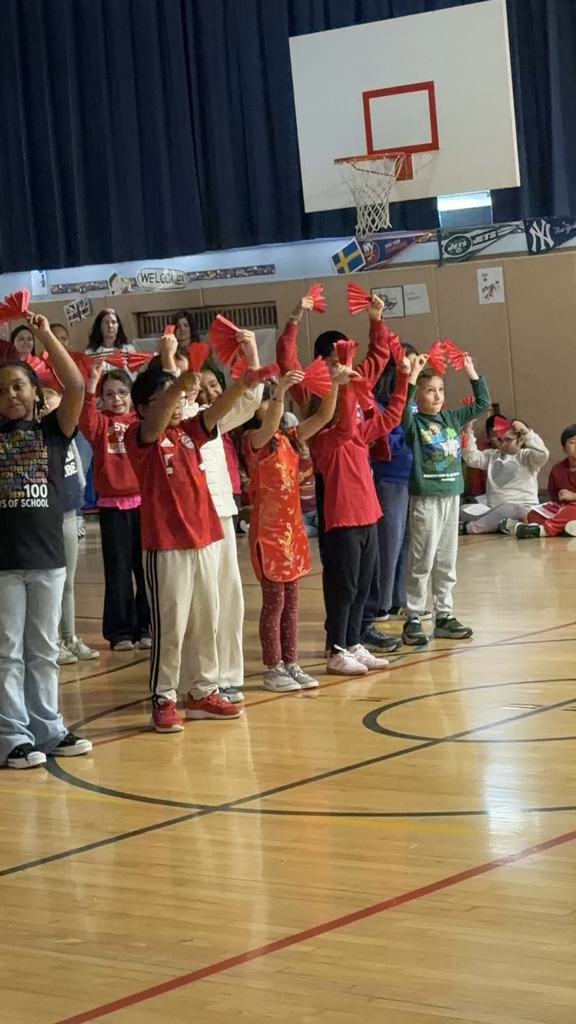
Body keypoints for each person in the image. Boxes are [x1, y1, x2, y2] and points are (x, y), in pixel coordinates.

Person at [126, 364, 257, 732]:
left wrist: (241, 385)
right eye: (168, 398)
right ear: (142, 407)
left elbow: (215, 411)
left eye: (183, 397)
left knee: (208, 620)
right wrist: (178, 385)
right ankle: (164, 697)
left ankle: (202, 691)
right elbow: (154, 424)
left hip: (206, 538)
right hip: (166, 545)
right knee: (171, 626)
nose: (180, 403)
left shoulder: (189, 433)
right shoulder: (142, 436)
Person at [277, 290, 401, 652]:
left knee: (365, 571)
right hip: (331, 474)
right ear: (322, 362)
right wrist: (295, 317)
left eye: (345, 357)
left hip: (362, 477)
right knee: (341, 569)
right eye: (334, 359)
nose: (342, 365)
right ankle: (340, 638)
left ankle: (358, 631)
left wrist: (376, 319)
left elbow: (380, 356)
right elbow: (286, 360)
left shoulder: (356, 379)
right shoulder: (311, 390)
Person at [0, 314, 92, 769]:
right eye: (1, 390)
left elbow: (76, 386)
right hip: (4, 564)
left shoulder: (53, 431)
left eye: (18, 386)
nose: (10, 396)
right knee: (8, 651)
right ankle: (12, 735)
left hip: (48, 560)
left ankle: (48, 727)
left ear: (35, 392)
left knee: (43, 649)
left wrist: (43, 338)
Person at [158, 330, 263, 704]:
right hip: (186, 524)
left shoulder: (209, 419)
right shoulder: (164, 424)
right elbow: (173, 403)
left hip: (220, 513)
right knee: (194, 607)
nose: (188, 386)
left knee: (227, 598)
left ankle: (225, 675)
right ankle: (193, 681)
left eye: (194, 378)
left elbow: (249, 403)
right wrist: (168, 362)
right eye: (179, 378)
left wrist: (251, 352)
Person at [243, 369, 347, 692]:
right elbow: (270, 423)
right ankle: (272, 667)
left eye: (276, 395)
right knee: (273, 604)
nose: (274, 401)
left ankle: (291, 663)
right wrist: (279, 392)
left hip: (293, 532)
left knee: (292, 603)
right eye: (267, 397)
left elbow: (324, 415)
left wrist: (334, 385)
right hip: (268, 533)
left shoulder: (290, 437)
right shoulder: (253, 440)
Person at [309, 352, 412, 675]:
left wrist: (405, 377)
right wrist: (342, 387)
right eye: (351, 410)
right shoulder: (325, 440)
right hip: (343, 521)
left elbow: (391, 416)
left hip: (369, 517)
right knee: (345, 588)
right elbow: (340, 424)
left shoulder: (359, 436)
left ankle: (353, 643)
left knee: (363, 587)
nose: (356, 414)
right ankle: (336, 649)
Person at [401, 353, 491, 646]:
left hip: (452, 498)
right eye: (430, 390)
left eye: (440, 389)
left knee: (446, 560)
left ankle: (444, 615)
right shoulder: (415, 423)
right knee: (422, 559)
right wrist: (412, 378)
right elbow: (402, 410)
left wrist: (471, 371)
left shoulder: (451, 417)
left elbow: (481, 403)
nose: (437, 395)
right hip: (426, 498)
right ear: (420, 396)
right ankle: (413, 617)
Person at [79, 359, 150, 650]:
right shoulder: (100, 424)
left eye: (122, 392)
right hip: (112, 508)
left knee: (144, 568)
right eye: (109, 394)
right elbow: (84, 419)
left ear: (131, 395)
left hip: (143, 505)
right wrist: (91, 386)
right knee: (118, 570)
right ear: (101, 399)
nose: (116, 399)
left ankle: (147, 626)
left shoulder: (140, 423)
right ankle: (120, 631)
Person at [368, 345, 428, 624]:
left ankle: (398, 601)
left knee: (406, 543)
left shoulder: (413, 398)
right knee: (388, 543)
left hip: (414, 476)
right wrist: (409, 436)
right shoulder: (381, 402)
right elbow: (385, 439)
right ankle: (380, 604)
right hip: (390, 476)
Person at [41, 389, 100, 664]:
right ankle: (52, 640)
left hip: (68, 516)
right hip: (46, 518)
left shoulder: (76, 440)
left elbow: (78, 476)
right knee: (50, 582)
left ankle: (70, 636)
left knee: (68, 583)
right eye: (47, 410)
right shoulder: (41, 441)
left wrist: (77, 515)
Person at [461, 415, 549, 535]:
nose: (503, 445)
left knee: (508, 508)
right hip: (493, 509)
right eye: (499, 440)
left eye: (508, 440)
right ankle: (499, 524)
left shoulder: (527, 457)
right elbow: (471, 458)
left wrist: (527, 433)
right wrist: (468, 431)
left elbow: (542, 454)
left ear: (521, 440)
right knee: (462, 510)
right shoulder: (491, 456)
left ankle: (470, 528)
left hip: (523, 509)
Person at [520, 424, 576, 538]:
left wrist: (573, 496)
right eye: (572, 442)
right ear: (564, 448)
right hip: (562, 509)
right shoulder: (558, 468)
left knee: (572, 509)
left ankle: (544, 530)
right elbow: (553, 496)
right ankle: (566, 526)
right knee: (532, 515)